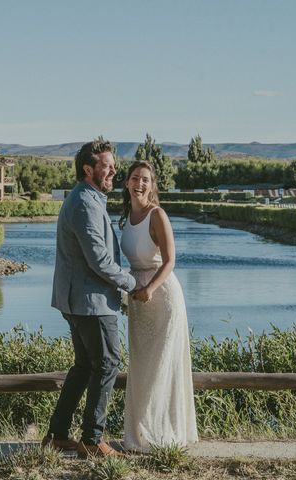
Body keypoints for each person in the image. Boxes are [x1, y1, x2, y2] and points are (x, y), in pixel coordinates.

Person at [43, 138, 137, 458]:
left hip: (80, 299)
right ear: (88, 169)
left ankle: (57, 435)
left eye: (113, 165)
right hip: (91, 301)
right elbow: (98, 258)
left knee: (84, 366)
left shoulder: (88, 198)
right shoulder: (85, 202)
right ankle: (92, 440)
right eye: (107, 166)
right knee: (108, 363)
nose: (114, 170)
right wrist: (131, 284)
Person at [119, 160, 198, 453]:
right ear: (126, 182)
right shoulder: (125, 216)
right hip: (137, 298)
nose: (140, 184)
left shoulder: (157, 215)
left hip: (161, 295)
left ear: (153, 187)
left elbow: (170, 261)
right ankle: (140, 434)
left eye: (146, 180)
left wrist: (150, 289)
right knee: (141, 366)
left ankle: (162, 434)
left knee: (160, 365)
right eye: (135, 178)